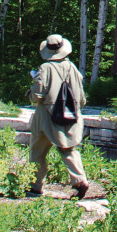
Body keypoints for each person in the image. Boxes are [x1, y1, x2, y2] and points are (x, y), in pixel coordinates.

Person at [28, 34, 90, 199]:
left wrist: (30, 91)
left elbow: (37, 95)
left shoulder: (44, 68)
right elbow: (82, 97)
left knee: (38, 151)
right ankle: (79, 180)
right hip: (70, 114)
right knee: (68, 149)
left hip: (46, 115)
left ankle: (35, 185)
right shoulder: (73, 68)